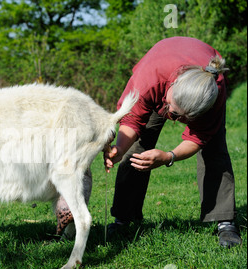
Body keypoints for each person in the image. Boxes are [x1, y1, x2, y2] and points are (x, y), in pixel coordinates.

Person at [100, 36, 241, 247]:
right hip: (159, 74)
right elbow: (132, 119)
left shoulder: (214, 91)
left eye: (181, 117)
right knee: (136, 148)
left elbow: (199, 137)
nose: (172, 117)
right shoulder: (149, 80)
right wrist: (119, 148)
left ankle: (225, 222)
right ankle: (124, 219)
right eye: (171, 111)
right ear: (171, 87)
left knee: (214, 149)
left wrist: (169, 156)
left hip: (194, 89)